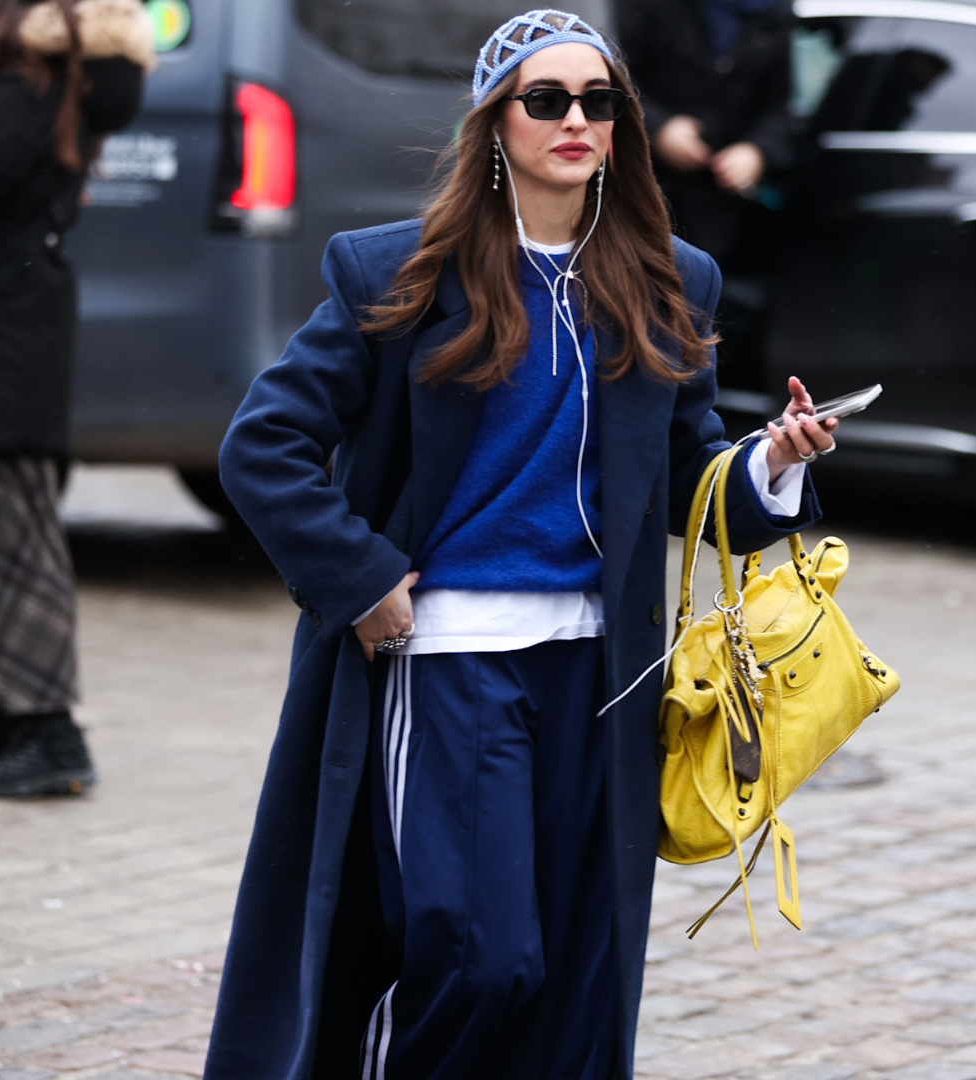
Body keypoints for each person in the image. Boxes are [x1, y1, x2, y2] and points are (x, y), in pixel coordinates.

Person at [202, 10, 837, 1080]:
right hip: (447, 660)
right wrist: (363, 581)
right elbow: (262, 447)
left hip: (598, 671)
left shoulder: (671, 278)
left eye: (600, 101)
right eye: (547, 100)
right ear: (496, 123)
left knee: (573, 975)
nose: (577, 120)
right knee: (480, 955)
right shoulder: (395, 272)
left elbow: (687, 483)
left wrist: (775, 462)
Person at [0, 0, 154, 796]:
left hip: (5, 339)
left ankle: (46, 729)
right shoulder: (45, 79)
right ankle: (18, 720)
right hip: (16, 325)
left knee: (14, 533)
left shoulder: (28, 84)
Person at [615, 0, 795, 265]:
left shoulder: (775, 13)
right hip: (642, 189)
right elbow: (614, 78)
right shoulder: (648, 7)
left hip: (719, 203)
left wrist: (756, 150)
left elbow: (780, 106)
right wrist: (660, 128)